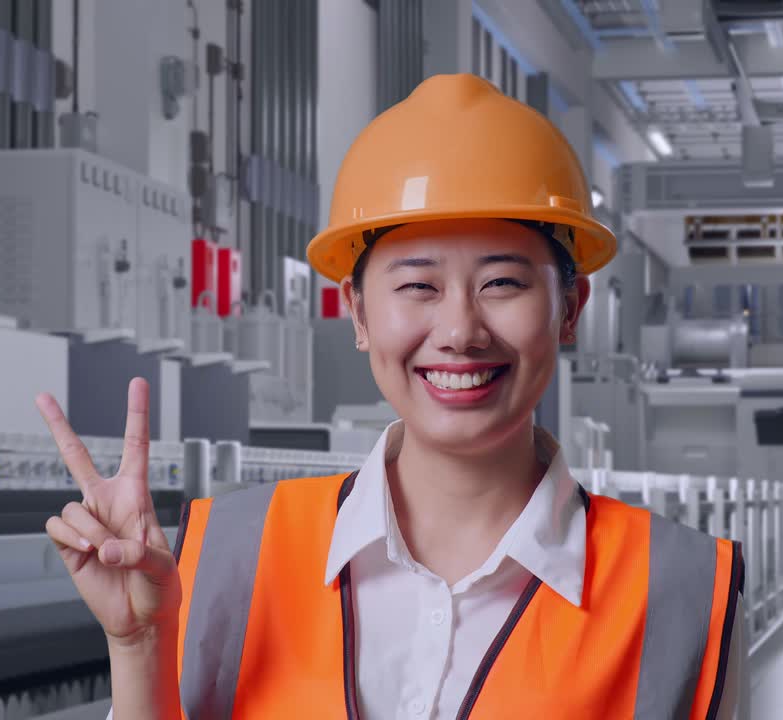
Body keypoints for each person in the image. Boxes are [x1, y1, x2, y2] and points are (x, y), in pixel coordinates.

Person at [37, 73, 744, 720]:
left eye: (502, 283)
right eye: (418, 286)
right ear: (358, 312)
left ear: (570, 307)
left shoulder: (681, 591)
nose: (460, 331)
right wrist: (139, 648)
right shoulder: (229, 555)